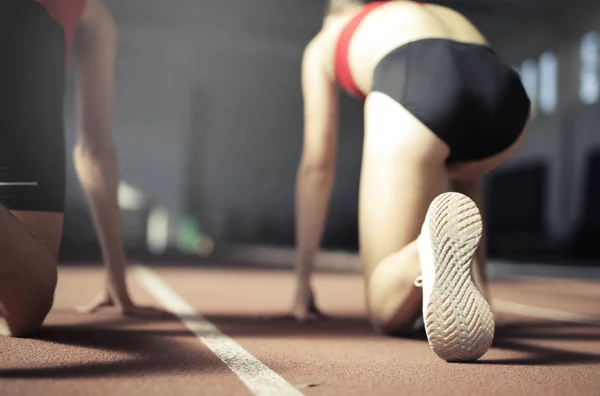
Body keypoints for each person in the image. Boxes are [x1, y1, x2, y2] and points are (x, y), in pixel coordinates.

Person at [292, 0, 530, 362]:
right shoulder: (428, 13)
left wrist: (301, 283)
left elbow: (317, 167)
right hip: (506, 104)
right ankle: (478, 295)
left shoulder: (327, 38)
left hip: (417, 73)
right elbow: (464, 179)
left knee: (385, 308)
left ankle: (424, 254)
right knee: (456, 165)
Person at [0, 0, 161, 337]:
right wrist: (116, 274)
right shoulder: (89, 17)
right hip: (26, 26)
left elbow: (94, 149)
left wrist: (115, 275)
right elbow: (94, 148)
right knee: (25, 306)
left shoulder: (91, 17)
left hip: (28, 32)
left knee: (23, 299)